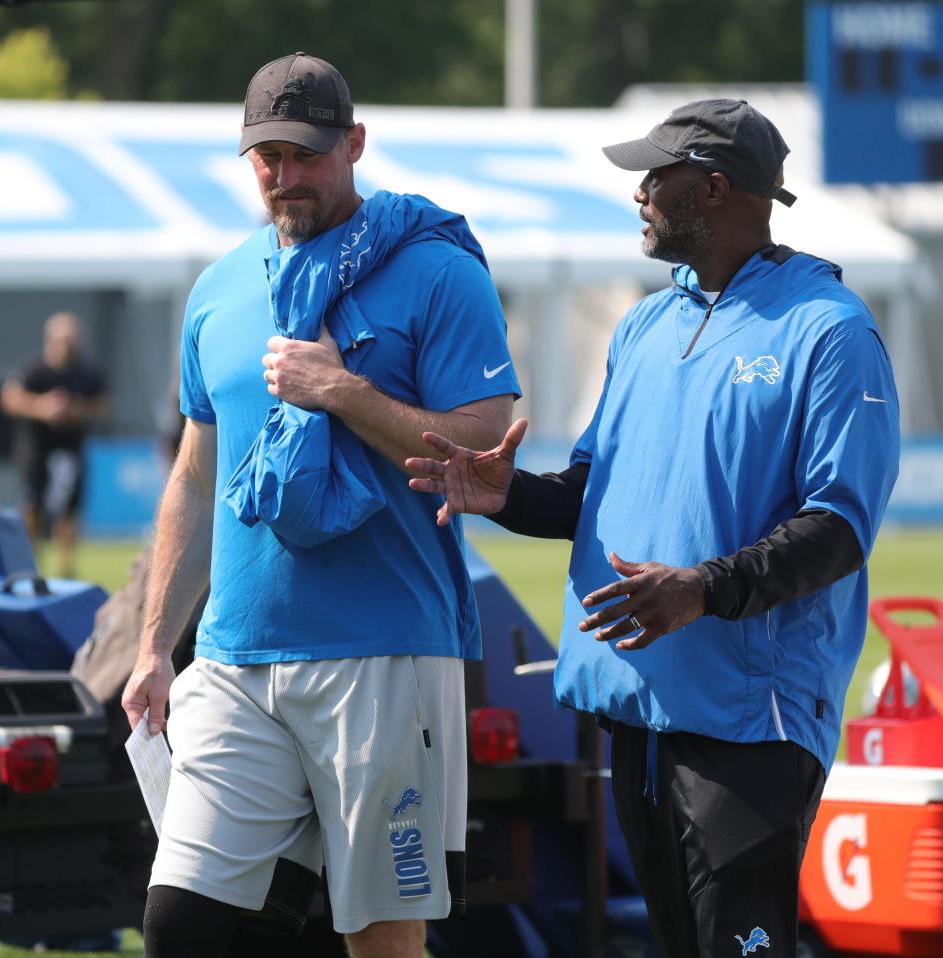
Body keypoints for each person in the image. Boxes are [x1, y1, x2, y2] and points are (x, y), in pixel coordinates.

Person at [406, 99, 900, 958]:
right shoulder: (642, 324)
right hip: (635, 709)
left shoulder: (831, 330)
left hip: (750, 721)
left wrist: (701, 591)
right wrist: (508, 495)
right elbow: (593, 491)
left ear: (712, 189)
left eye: (654, 175)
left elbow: (839, 530)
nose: (638, 191)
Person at [120, 52, 520, 958]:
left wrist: (342, 392)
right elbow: (195, 474)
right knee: (183, 927)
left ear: (354, 145)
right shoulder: (218, 287)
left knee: (381, 942)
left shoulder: (437, 272)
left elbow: (484, 453)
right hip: (231, 659)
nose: (286, 177)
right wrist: (153, 646)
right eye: (267, 156)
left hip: (384, 655)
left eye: (306, 154)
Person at [0, 311, 107, 578]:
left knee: (68, 510)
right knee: (31, 506)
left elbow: (103, 405)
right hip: (36, 449)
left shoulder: (86, 372)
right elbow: (10, 398)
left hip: (70, 450)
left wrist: (77, 411)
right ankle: (30, 564)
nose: (69, 346)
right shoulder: (33, 370)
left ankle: (66, 568)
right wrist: (43, 407)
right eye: (64, 340)